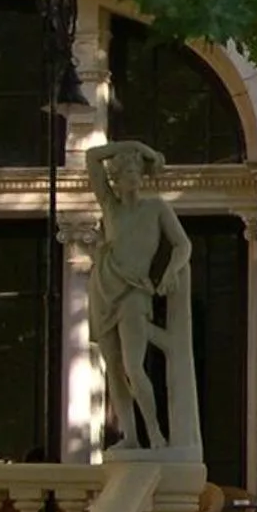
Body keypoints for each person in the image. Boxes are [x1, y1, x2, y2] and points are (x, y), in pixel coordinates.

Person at [88, 139, 192, 449]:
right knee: (114, 369)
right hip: (104, 287)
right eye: (126, 171)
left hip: (134, 290)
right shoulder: (110, 206)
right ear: (115, 180)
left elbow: (183, 245)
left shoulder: (157, 207)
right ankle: (130, 437)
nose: (133, 175)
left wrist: (172, 270)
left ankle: (156, 433)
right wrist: (140, 148)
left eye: (137, 169)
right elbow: (92, 156)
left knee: (134, 366)